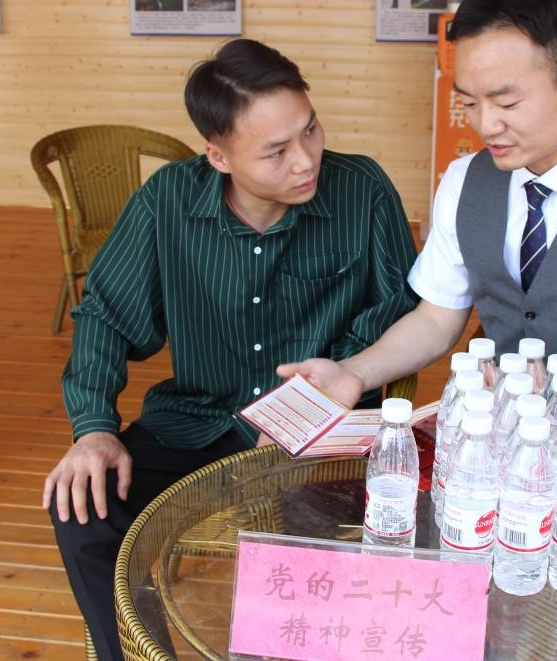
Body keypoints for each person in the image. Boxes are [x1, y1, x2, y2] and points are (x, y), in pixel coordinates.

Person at [280, 0, 557, 558]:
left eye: (506, 103)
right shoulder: (466, 182)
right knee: (357, 541)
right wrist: (354, 373)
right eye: (469, 101)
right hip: (487, 452)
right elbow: (437, 318)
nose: (485, 125)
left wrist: (545, 394)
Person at [43, 38, 418, 661]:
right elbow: (106, 315)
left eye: (310, 129)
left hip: (321, 436)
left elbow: (399, 313)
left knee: (309, 566)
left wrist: (305, 407)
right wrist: (94, 429)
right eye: (276, 151)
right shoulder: (168, 201)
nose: (305, 160)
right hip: (200, 420)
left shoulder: (362, 191)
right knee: (83, 507)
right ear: (218, 155)